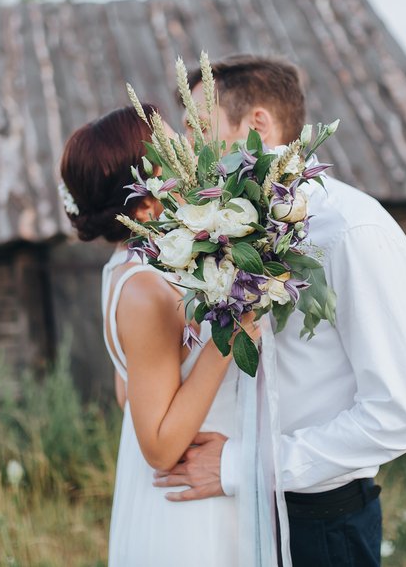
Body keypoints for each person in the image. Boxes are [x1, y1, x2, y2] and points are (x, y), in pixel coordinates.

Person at [153, 55, 406, 566]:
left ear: (256, 123)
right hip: (242, 517)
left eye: (199, 128)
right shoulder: (219, 228)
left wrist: (241, 466)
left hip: (322, 524)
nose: (188, 148)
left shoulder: (352, 231)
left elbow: (397, 416)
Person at [59, 105, 263, 566]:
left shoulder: (137, 269)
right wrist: (236, 328)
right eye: (175, 149)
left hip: (205, 488)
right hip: (190, 513)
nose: (190, 150)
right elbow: (159, 446)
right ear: (148, 202)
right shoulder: (146, 291)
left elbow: (127, 391)